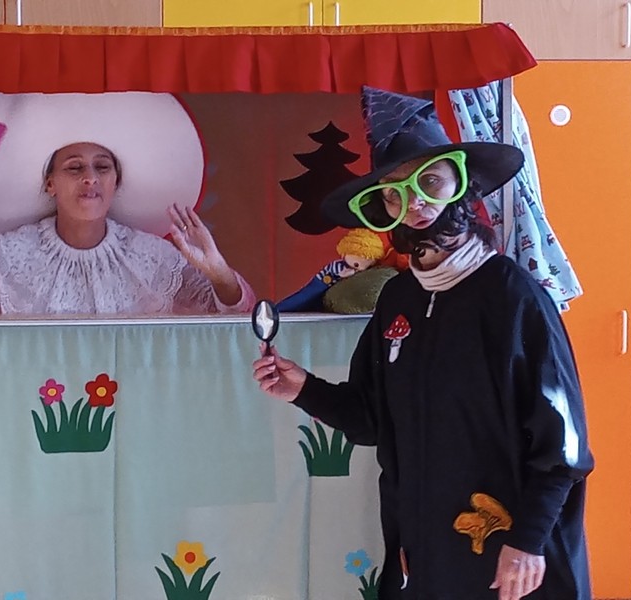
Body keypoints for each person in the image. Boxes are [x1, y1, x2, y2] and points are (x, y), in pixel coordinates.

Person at [252, 86, 594, 600]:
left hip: (512, 553)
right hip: (425, 551)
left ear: (460, 183)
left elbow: (563, 443)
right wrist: (304, 389)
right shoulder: (399, 299)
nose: (414, 203)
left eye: (429, 182)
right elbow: (372, 420)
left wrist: (528, 541)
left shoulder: (512, 297)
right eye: (394, 193)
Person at [0, 92, 255, 316]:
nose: (90, 177)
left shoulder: (152, 258)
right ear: (50, 183)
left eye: (102, 167)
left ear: (116, 182)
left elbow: (237, 317)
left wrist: (217, 271)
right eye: (74, 167)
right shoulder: (9, 255)